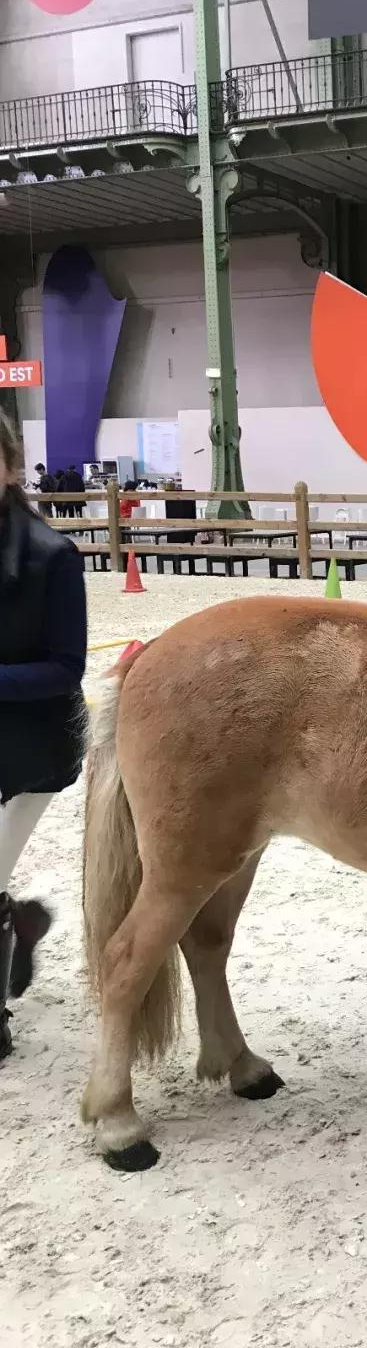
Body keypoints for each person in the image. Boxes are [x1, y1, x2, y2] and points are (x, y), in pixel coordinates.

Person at [0, 416, 87, 1062]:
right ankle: (20, 920)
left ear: (9, 465)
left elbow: (66, 667)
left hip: (35, 752)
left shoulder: (53, 556)